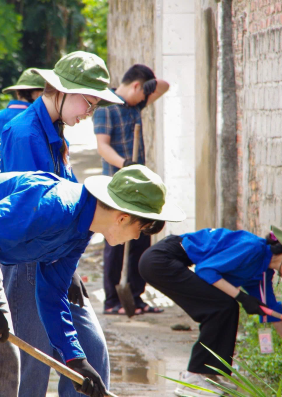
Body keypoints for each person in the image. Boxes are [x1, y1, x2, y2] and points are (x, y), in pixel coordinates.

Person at [0, 165, 185, 397]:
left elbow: (52, 296)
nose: (138, 238)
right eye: (141, 230)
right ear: (123, 217)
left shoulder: (81, 230)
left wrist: (75, 359)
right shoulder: (57, 207)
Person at [0, 51, 123, 396]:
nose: (88, 115)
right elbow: (33, 215)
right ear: (63, 91)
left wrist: (70, 268)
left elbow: (68, 195)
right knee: (34, 366)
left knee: (91, 353)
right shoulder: (24, 135)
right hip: (29, 259)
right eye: (87, 104)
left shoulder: (54, 132)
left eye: (93, 108)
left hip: (54, 256)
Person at [139, 226, 282, 397]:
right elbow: (206, 271)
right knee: (221, 307)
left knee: (225, 307)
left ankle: (210, 374)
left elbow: (274, 316)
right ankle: (193, 376)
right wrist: (241, 297)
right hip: (161, 260)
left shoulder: (262, 274)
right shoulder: (253, 248)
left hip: (171, 262)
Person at [93, 64, 170, 315]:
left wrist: (150, 86)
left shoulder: (136, 104)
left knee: (140, 238)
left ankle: (136, 297)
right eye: (142, 92)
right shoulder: (106, 107)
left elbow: (165, 86)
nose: (145, 99)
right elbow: (102, 146)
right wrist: (125, 163)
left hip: (140, 189)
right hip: (116, 187)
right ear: (135, 86)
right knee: (115, 242)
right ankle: (111, 300)